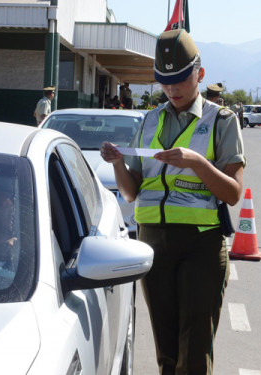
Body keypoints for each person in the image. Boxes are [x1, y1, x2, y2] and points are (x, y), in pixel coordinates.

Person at [100, 29, 245, 375]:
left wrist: (197, 162)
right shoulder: (150, 120)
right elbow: (131, 192)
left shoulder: (222, 121)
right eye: (164, 81)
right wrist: (118, 161)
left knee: (193, 355)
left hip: (201, 245)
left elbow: (233, 193)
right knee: (166, 353)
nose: (172, 89)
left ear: (200, 74)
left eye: (180, 79)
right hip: (153, 243)